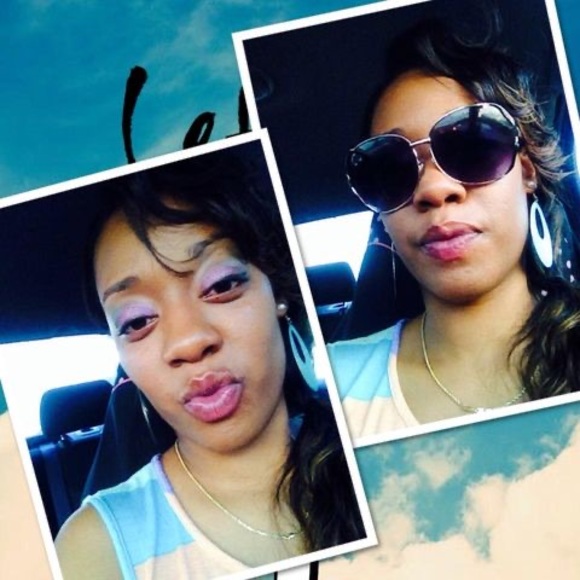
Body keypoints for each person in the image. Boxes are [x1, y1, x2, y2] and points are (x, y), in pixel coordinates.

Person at [55, 142, 365, 578]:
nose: (188, 342)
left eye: (220, 285)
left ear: (277, 292)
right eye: (137, 321)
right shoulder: (93, 547)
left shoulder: (374, 439)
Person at [328, 18, 580, 439]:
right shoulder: (334, 387)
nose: (434, 189)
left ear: (526, 172)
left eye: (473, 146)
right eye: (390, 168)